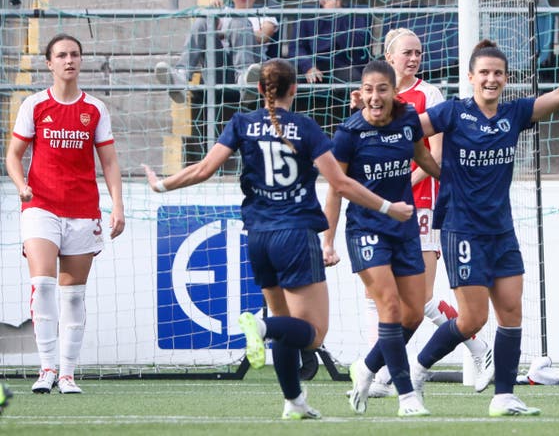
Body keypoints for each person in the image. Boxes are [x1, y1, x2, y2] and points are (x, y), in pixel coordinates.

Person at [143, 58, 414, 420]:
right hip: (296, 236)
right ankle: (259, 326)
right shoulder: (306, 127)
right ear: (294, 90)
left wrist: (162, 183)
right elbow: (341, 184)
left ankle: (294, 402)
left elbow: (205, 168)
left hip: (258, 237)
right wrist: (388, 207)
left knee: (287, 324)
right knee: (313, 334)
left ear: (259, 90)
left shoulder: (241, 123)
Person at [411, 40, 559, 416]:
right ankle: (418, 370)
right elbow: (410, 131)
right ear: (471, 77)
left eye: (498, 73)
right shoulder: (453, 113)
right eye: (484, 73)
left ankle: (504, 396)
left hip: (501, 231)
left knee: (511, 313)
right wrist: (433, 168)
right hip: (462, 228)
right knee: (473, 318)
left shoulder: (515, 113)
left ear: (506, 79)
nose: (491, 79)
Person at [365, 28, 494, 398]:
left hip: (421, 205)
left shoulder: (429, 95)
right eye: (407, 52)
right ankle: (390, 372)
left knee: (416, 299)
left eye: (418, 52)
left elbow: (436, 156)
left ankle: (396, 372)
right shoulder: (375, 97)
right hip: (381, 209)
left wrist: (399, 186)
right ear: (389, 58)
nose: (414, 58)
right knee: (381, 296)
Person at [5, 33, 126, 395]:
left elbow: (109, 161)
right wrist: (20, 184)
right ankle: (46, 369)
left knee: (73, 294)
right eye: (61, 55)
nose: (69, 60)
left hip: (82, 209)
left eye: (74, 54)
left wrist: (117, 205)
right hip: (40, 205)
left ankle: (68, 373)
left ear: (81, 60)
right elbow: (13, 155)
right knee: (42, 285)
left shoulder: (95, 109)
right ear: (49, 62)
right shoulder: (35, 105)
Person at [322, 60, 441, 417]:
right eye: (369, 89)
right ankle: (407, 396)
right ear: (361, 92)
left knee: (414, 315)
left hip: (404, 229)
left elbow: (423, 157)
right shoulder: (348, 133)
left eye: (382, 89)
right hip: (366, 231)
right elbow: (335, 190)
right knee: (388, 308)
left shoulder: (407, 121)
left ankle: (365, 366)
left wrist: (454, 181)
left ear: (394, 92)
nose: (375, 97)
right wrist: (327, 242)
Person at [155, 0, 279, 105]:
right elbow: (204, 33)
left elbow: (263, 36)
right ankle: (182, 75)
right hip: (219, 70)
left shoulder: (264, 14)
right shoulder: (222, 12)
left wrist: (234, 30)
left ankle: (245, 80)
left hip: (253, 71)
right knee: (203, 20)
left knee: (239, 23)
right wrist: (213, 15)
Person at [290, 0, 371, 133]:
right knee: (287, 78)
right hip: (314, 66)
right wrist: (308, 66)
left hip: (343, 64)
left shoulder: (356, 13)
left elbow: (356, 45)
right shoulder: (305, 13)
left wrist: (336, 15)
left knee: (354, 81)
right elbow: (296, 47)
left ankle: (353, 130)